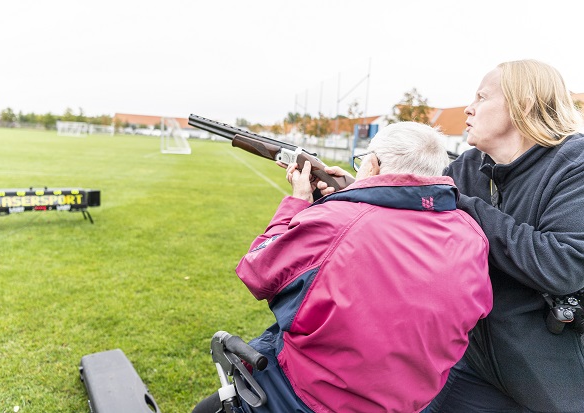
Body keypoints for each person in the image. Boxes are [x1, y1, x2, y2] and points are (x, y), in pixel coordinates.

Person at [194, 122, 493, 413]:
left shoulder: (337, 220)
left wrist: (298, 202)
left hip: (304, 400)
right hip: (409, 403)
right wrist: (352, 195)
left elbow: (257, 270)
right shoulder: (471, 234)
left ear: (373, 165)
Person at [420, 60, 584, 413]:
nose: (469, 107)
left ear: (522, 104)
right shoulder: (465, 166)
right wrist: (349, 194)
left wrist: (463, 206)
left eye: (481, 96)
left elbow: (562, 266)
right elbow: (418, 222)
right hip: (473, 360)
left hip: (550, 383)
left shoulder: (575, 165)